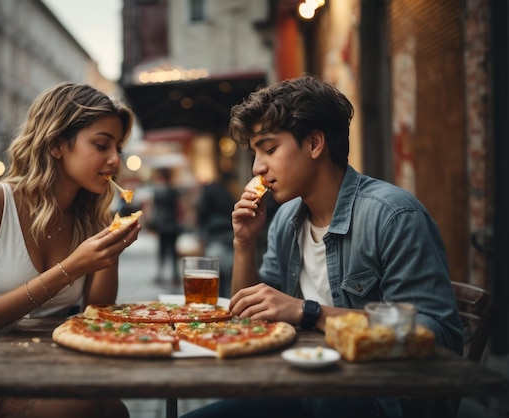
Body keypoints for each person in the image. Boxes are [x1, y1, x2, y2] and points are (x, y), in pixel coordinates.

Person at [181, 76, 463, 418]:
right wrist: (244, 243)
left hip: (379, 398)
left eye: (269, 149)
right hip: (301, 384)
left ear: (315, 143)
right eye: (256, 153)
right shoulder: (286, 219)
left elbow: (437, 335)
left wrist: (308, 312)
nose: (257, 168)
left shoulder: (393, 216)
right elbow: (248, 321)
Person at [0, 82, 140, 418]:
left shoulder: (92, 220)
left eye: (117, 147)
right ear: (58, 144)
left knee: (114, 410)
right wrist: (71, 268)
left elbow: (95, 318)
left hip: (46, 362)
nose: (115, 160)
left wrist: (109, 253)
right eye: (101, 145)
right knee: (84, 408)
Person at [196, 175, 235, 298]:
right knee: (232, 282)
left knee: (216, 283)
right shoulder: (228, 203)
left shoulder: (206, 209)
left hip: (215, 247)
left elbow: (202, 230)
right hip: (232, 246)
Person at [150, 168, 181, 285]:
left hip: (162, 224)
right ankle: (175, 276)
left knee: (162, 250)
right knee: (173, 251)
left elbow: (154, 208)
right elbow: (179, 207)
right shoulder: (174, 191)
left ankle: (161, 274)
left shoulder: (158, 191)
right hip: (172, 223)